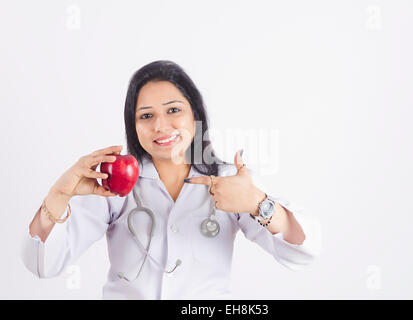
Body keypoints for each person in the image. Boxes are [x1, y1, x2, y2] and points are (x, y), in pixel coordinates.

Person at [21, 60, 321, 299]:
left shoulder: (229, 179)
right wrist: (59, 194)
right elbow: (43, 264)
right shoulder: (114, 185)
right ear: (133, 125)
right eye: (146, 116)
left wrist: (257, 203)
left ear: (195, 114)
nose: (161, 126)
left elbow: (303, 252)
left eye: (173, 110)